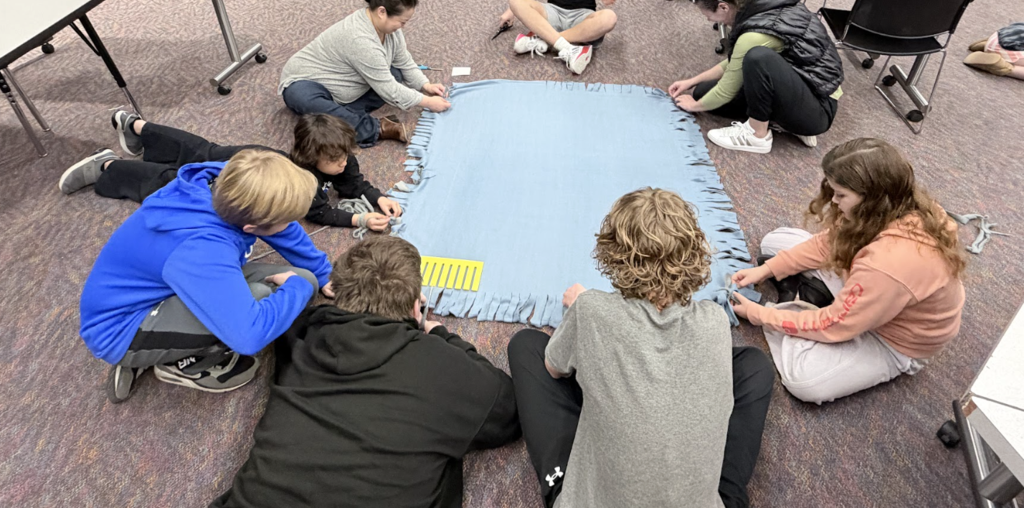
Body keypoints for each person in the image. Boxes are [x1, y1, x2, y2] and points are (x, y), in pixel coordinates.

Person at [507, 188, 773, 508]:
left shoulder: (591, 309)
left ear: (612, 256)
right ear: (694, 256)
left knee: (528, 346)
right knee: (754, 365)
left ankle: (561, 481)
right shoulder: (715, 321)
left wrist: (583, 310)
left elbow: (553, 368)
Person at [209, 236, 520, 508]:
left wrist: (295, 287)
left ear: (339, 292)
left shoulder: (303, 333)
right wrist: (442, 335)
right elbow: (508, 414)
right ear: (415, 307)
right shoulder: (444, 365)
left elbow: (291, 315)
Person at [79, 149, 334, 403]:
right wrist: (296, 289)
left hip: (170, 283)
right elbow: (249, 336)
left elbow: (283, 229)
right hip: (121, 328)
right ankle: (173, 362)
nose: (292, 224)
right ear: (251, 228)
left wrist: (322, 274)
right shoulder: (203, 249)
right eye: (287, 220)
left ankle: (164, 344)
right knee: (263, 296)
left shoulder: (229, 178)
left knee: (306, 279)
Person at [729, 138, 967, 405]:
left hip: (893, 340)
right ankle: (814, 297)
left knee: (804, 382)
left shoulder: (888, 264)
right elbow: (829, 243)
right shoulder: (894, 207)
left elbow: (835, 326)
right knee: (776, 241)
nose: (833, 200)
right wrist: (766, 270)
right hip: (874, 287)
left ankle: (798, 302)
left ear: (873, 198)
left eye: (841, 195)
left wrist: (761, 315)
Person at [58, 112, 402, 232]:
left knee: (195, 151)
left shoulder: (341, 160)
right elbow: (319, 212)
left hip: (259, 163)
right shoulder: (297, 181)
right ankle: (108, 164)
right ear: (310, 157)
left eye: (345, 155)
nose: (344, 162)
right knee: (182, 173)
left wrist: (377, 197)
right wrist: (358, 220)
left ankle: (135, 127)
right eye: (335, 159)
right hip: (240, 168)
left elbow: (354, 183)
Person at [668, 0, 844, 153]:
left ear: (724, 7)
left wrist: (694, 107)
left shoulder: (754, 34)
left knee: (756, 58)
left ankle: (757, 135)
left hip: (818, 109)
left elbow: (728, 86)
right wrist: (692, 82)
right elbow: (735, 63)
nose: (710, 21)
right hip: (800, 86)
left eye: (709, 15)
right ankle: (783, 122)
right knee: (702, 93)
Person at [280, 0, 450, 146]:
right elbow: (388, 88)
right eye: (402, 21)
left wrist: (425, 85)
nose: (403, 27)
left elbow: (404, 60)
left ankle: (339, 116)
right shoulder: (360, 38)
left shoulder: (389, 29)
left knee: (396, 74)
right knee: (304, 98)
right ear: (382, 12)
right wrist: (428, 102)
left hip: (348, 82)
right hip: (308, 82)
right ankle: (376, 128)